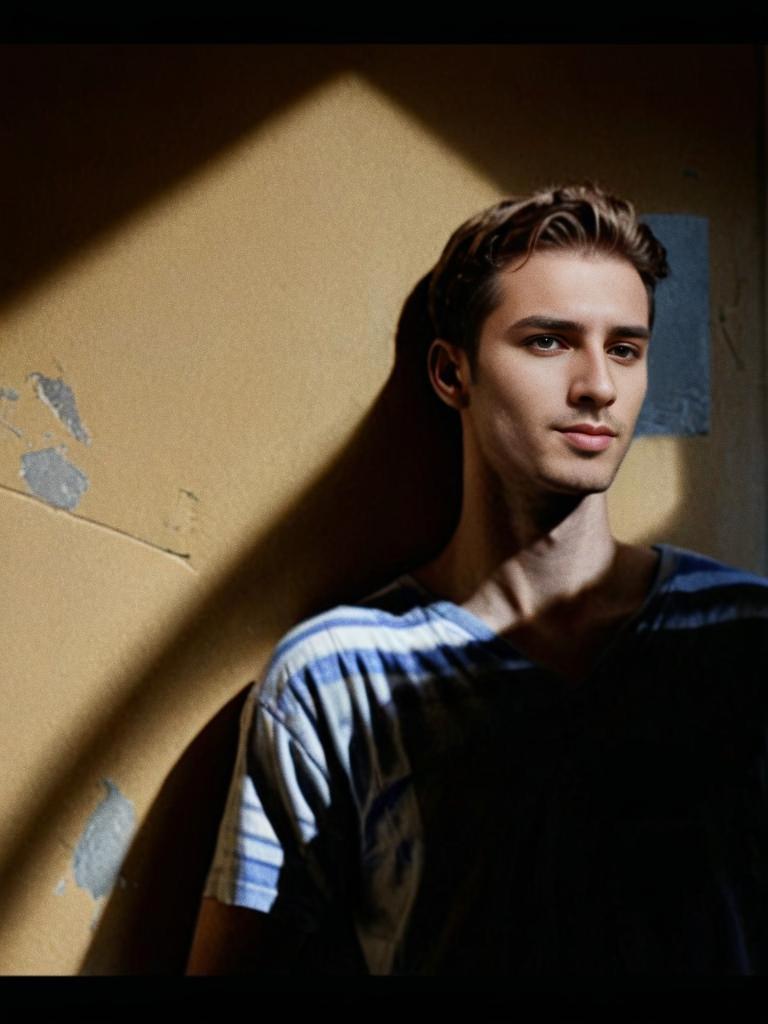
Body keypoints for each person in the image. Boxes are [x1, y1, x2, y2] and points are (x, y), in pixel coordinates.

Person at [187, 183, 768, 976]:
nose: (598, 384)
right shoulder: (337, 677)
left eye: (624, 349)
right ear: (452, 372)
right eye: (548, 342)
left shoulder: (741, 636)